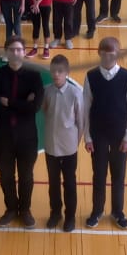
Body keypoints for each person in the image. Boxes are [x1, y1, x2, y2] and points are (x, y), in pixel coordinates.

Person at [83, 37, 127, 230]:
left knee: (118, 175)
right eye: (105, 54)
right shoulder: (91, 76)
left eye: (112, 54)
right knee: (99, 175)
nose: (108, 58)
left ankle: (118, 211)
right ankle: (97, 211)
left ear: (118, 54)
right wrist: (87, 137)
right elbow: (85, 108)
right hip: (98, 134)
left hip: (119, 136)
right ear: (99, 53)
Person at [0, 39, 42, 228]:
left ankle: (25, 210)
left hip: (27, 137)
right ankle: (11, 209)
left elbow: (35, 107)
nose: (15, 53)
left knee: (26, 175)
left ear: (24, 52)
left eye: (19, 50)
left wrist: (9, 102)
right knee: (6, 175)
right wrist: (23, 104)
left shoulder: (34, 76)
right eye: (12, 50)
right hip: (3, 135)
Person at [41, 54, 84, 232]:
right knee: (53, 182)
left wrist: (75, 143)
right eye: (53, 71)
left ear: (67, 72)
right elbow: (45, 111)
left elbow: (80, 121)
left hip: (68, 148)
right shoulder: (47, 91)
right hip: (51, 146)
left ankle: (70, 216)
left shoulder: (75, 93)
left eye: (60, 71)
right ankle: (55, 213)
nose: (56, 74)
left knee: (69, 183)